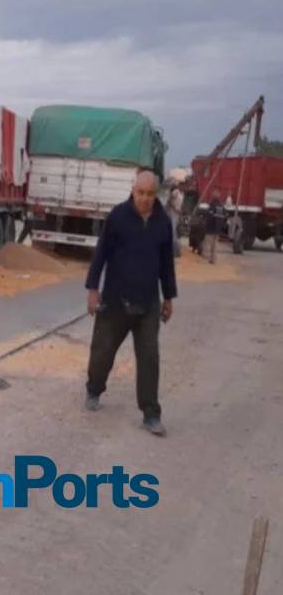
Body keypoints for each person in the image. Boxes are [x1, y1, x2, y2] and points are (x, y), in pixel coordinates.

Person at [84, 171, 177, 436]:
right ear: (133, 190)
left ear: (156, 194)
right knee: (102, 351)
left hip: (148, 302)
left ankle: (151, 414)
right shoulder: (118, 217)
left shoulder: (162, 223)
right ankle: (94, 389)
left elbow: (166, 264)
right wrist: (93, 289)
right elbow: (100, 254)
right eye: (140, 193)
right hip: (115, 300)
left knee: (150, 358)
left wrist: (168, 297)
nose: (145, 199)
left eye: (149, 194)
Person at [204, 189, 224, 264]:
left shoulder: (212, 205)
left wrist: (206, 225)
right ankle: (214, 260)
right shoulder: (221, 206)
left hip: (210, 229)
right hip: (217, 230)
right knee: (215, 246)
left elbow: (209, 216)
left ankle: (208, 260)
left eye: (213, 194)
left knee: (208, 245)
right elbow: (223, 218)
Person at [166, 183, 183, 258]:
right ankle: (173, 250)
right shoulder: (176, 192)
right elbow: (169, 200)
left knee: (174, 230)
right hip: (173, 212)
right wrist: (174, 208)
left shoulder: (182, 193)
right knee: (173, 231)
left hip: (177, 212)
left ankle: (174, 250)